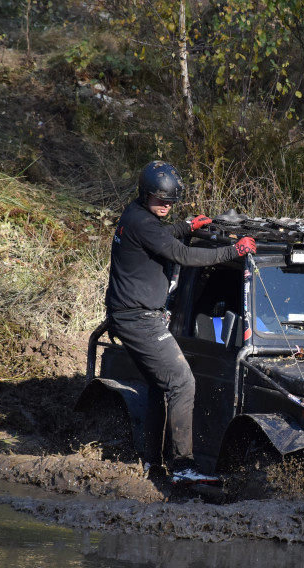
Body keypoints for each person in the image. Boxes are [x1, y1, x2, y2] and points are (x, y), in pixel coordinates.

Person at [105, 160, 256, 477]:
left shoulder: (137, 215)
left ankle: (152, 461)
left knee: (161, 386)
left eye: (171, 201)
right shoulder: (143, 221)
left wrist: (186, 228)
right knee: (182, 382)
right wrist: (234, 252)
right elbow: (184, 256)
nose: (166, 206)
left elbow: (160, 240)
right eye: (161, 199)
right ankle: (184, 465)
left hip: (132, 314)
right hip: (138, 318)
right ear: (145, 194)